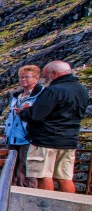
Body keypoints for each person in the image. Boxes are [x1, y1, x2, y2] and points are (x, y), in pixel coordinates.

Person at [18, 60, 90, 193]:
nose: (46, 80)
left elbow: (36, 116)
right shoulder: (81, 90)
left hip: (46, 140)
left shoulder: (53, 90)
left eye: (46, 76)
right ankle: (68, 206)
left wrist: (24, 112)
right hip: (69, 140)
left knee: (44, 175)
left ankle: (46, 207)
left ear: (54, 73)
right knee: (64, 177)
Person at [2, 64, 43, 187]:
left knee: (25, 167)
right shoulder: (18, 96)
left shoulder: (40, 95)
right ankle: (11, 189)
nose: (23, 80)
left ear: (36, 78)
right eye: (21, 77)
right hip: (13, 136)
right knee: (11, 166)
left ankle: (26, 191)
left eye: (27, 77)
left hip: (28, 137)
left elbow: (40, 114)